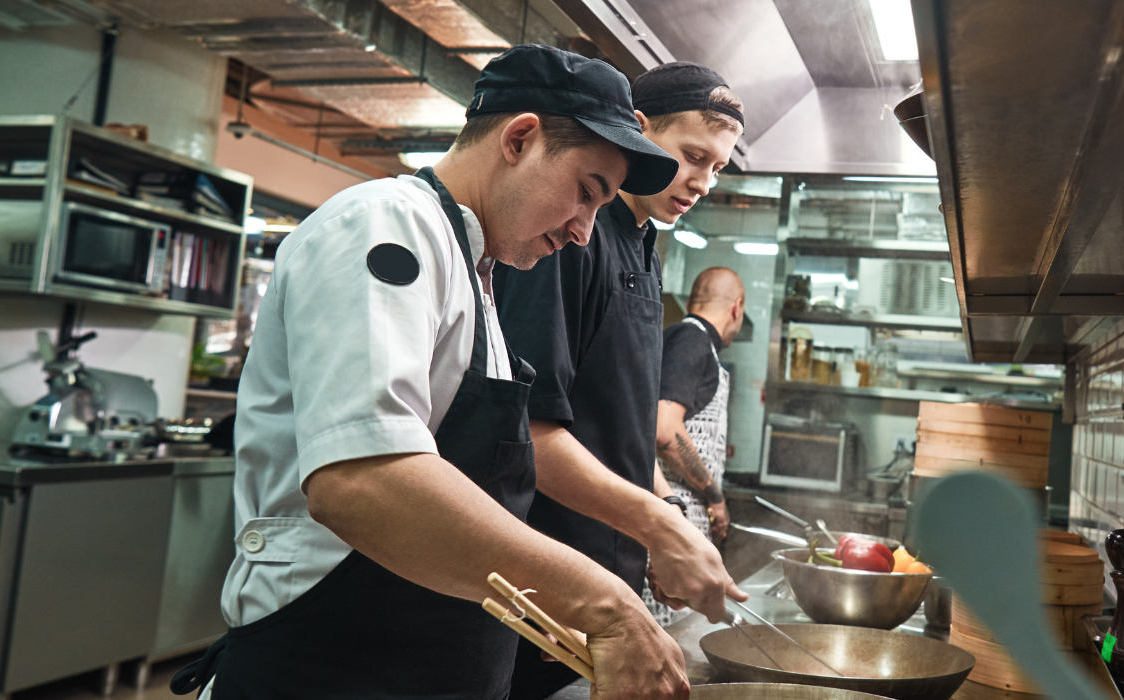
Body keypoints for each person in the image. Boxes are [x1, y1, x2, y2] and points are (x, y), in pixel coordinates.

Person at [170, 45, 691, 700]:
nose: (585, 231)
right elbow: (365, 480)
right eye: (586, 193)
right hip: (329, 670)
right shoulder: (386, 224)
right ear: (520, 139)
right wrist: (599, 601)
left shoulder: (477, 274)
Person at [493, 62, 747, 699]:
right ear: (639, 131)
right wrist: (659, 527)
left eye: (718, 167)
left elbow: (623, 424)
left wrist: (662, 523)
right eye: (694, 156)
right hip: (546, 579)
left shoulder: (645, 247)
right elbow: (528, 431)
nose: (704, 182)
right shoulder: (567, 238)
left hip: (608, 579)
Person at [647, 267, 745, 626]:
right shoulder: (692, 340)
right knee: (662, 632)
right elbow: (664, 430)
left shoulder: (687, 339)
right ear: (736, 308)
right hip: (669, 520)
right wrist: (714, 495)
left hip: (677, 526)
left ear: (691, 301)